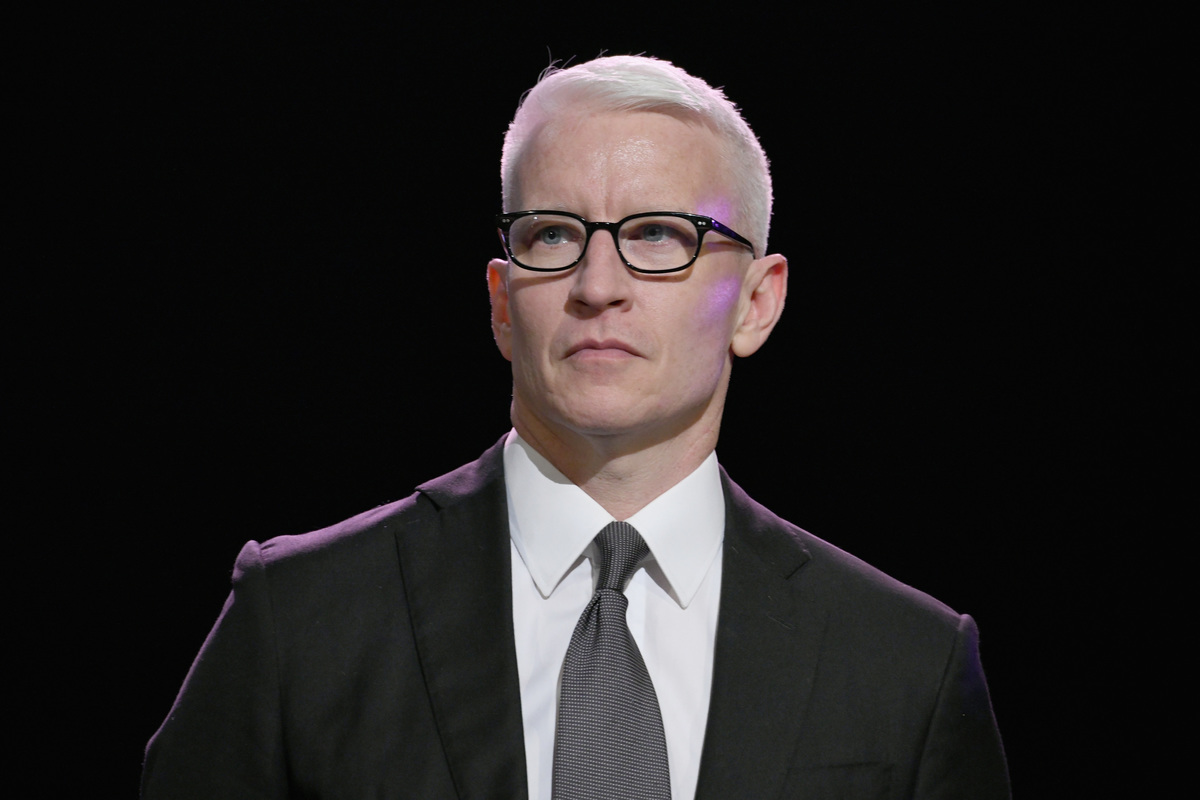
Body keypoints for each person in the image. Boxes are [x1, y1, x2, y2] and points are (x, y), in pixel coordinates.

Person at [142, 55, 1010, 799]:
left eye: (661, 235)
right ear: (500, 302)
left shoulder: (908, 666)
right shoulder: (300, 619)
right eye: (554, 234)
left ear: (757, 301)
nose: (598, 284)